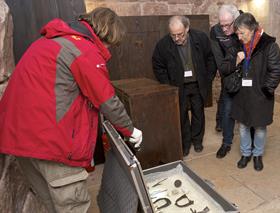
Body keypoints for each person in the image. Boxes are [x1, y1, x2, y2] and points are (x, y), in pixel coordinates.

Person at [0, 7, 142, 212]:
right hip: (51, 143)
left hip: (19, 139)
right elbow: (107, 99)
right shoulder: (82, 48)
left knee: (52, 204)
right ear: (107, 32)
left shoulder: (49, 41)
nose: (109, 49)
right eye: (111, 43)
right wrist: (131, 130)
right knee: (72, 205)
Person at [152, 15, 216, 157]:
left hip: (198, 83)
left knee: (198, 112)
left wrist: (208, 78)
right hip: (178, 86)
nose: (176, 38)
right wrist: (168, 85)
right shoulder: (163, 45)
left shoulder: (200, 38)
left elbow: (210, 58)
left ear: (187, 28)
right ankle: (185, 144)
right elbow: (158, 66)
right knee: (181, 115)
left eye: (180, 34)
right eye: (173, 35)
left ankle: (197, 140)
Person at [232, 12, 280, 171]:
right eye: (237, 33)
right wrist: (236, 62)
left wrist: (266, 89)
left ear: (252, 29)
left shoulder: (269, 45)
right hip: (243, 94)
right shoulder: (239, 44)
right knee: (243, 126)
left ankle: (257, 154)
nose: (239, 37)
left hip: (261, 94)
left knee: (260, 127)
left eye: (242, 33)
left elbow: (276, 70)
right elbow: (230, 67)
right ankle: (246, 153)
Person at [210, 4, 242, 158]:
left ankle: (251, 147)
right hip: (228, 76)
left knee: (249, 111)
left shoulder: (246, 23)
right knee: (227, 110)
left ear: (236, 20)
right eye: (221, 25)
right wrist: (235, 61)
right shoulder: (216, 31)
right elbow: (221, 67)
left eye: (227, 25)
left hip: (247, 77)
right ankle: (226, 143)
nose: (224, 29)